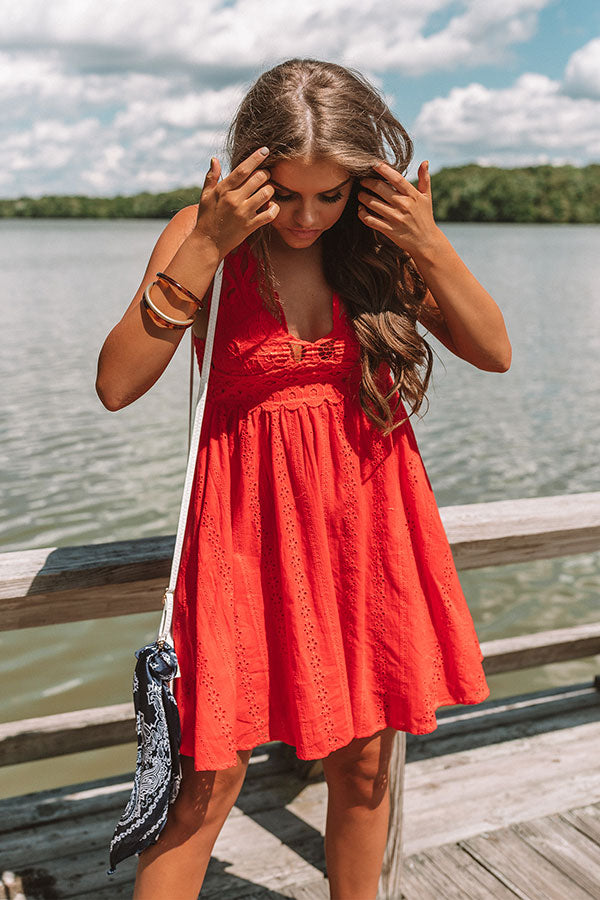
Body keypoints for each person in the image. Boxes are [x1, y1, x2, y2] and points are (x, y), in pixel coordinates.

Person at [96, 58, 511, 900]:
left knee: (364, 769)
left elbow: (494, 351)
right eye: (287, 193)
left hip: (370, 528)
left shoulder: (374, 245)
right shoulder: (202, 233)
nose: (308, 217)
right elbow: (115, 384)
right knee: (204, 785)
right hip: (244, 537)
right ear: (252, 165)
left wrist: (427, 241)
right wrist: (208, 244)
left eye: (331, 195)